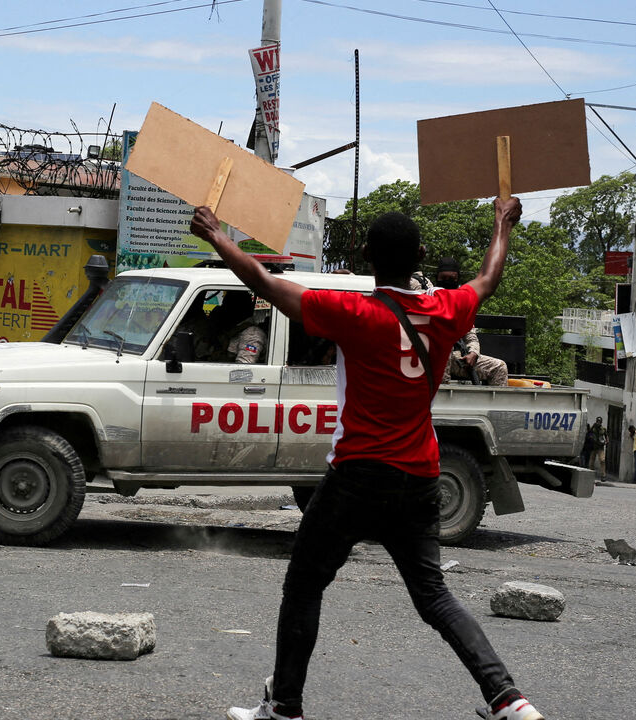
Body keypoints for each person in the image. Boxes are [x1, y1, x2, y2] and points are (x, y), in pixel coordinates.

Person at [191, 197, 544, 720]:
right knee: (434, 596)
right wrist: (501, 223)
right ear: (420, 255)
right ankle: (509, 700)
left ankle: (285, 706)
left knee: (305, 584)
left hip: (357, 475)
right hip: (421, 476)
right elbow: (487, 278)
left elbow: (266, 284)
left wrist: (219, 236)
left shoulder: (353, 313)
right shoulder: (446, 310)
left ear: (367, 259)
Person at [418, 258, 510, 387]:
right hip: (427, 359)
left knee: (499, 367)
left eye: (452, 279)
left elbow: (471, 336)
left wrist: (473, 353)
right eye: (443, 278)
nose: (447, 282)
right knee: (444, 349)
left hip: (457, 360)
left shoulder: (459, 303)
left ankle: (497, 406)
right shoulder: (426, 297)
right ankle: (441, 399)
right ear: (437, 278)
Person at [208, 291, 266, 364]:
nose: (221, 309)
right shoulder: (234, 330)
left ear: (236, 308)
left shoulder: (252, 334)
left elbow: (243, 368)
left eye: (226, 306)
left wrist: (219, 358)